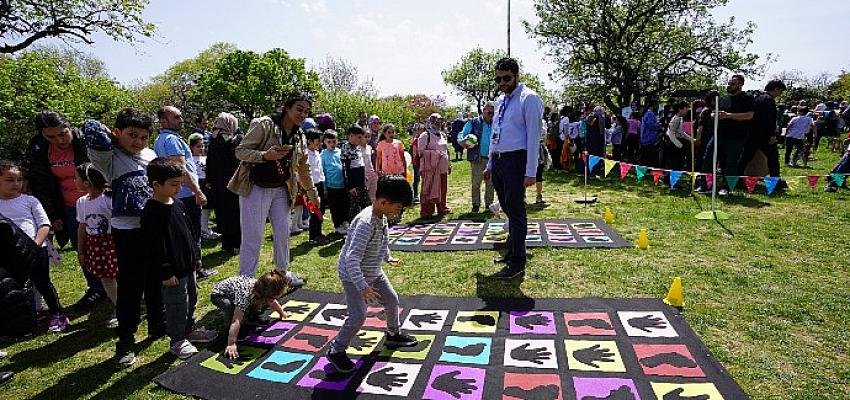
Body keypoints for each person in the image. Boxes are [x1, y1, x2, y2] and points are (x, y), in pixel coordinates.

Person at [84, 110, 161, 368]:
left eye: (144, 137)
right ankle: (126, 341)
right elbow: (91, 128)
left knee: (156, 278)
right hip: (127, 232)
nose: (138, 141)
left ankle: (157, 324)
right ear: (117, 133)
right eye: (132, 135)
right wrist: (112, 137)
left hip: (154, 225)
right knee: (130, 287)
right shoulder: (109, 157)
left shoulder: (150, 155)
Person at [326, 175, 417, 373]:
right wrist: (363, 287)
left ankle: (393, 334)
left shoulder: (381, 216)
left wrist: (387, 257)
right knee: (358, 316)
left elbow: (382, 241)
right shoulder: (365, 224)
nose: (399, 212)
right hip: (353, 277)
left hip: (373, 271)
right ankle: (336, 350)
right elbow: (351, 259)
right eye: (398, 208)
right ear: (383, 202)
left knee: (391, 300)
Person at [228, 95, 319, 283]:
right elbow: (240, 151)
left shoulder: (300, 135)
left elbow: (303, 167)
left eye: (306, 111)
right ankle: (245, 281)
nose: (303, 114)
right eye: (299, 109)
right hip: (255, 186)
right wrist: (264, 156)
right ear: (287, 108)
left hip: (281, 188)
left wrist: (312, 193)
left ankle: (281, 274)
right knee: (253, 236)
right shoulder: (264, 124)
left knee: (283, 233)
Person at [23, 111, 106, 307]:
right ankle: (96, 288)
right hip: (70, 207)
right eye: (50, 137)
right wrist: (53, 215)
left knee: (110, 244)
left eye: (62, 133)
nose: (59, 140)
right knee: (82, 248)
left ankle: (120, 284)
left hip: (100, 202)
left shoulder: (85, 140)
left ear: (69, 126)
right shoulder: (39, 150)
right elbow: (42, 185)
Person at [141, 158, 216, 360]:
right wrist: (165, 272)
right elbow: (154, 246)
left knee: (191, 299)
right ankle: (177, 340)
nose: (179, 188)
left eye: (180, 183)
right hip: (172, 272)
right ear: (157, 185)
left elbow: (188, 233)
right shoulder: (151, 212)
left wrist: (196, 256)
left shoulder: (178, 203)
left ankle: (189, 330)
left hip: (187, 266)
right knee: (176, 305)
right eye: (174, 184)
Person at [484, 57, 543, 279]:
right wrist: (490, 163)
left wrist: (531, 172)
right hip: (499, 160)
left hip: (517, 160)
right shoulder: (500, 101)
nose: (502, 83)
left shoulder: (529, 98)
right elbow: (495, 134)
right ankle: (512, 251)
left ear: (517, 75)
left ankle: (517, 261)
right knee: (508, 209)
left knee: (516, 211)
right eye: (498, 79)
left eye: (506, 78)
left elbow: (534, 137)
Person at [0, 160, 69, 332]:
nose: (16, 183)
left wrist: (35, 245)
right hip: (9, 255)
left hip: (36, 250)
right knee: (18, 287)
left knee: (43, 283)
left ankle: (57, 314)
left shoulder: (30, 200)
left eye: (19, 179)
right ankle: (28, 319)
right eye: (10, 180)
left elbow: (44, 224)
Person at [153, 106, 214, 280]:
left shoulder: (159, 139)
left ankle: (190, 268)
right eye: (176, 117)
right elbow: (181, 169)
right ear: (164, 121)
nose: (181, 120)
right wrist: (197, 191)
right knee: (193, 233)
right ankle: (196, 268)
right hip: (186, 194)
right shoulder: (172, 140)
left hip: (176, 194)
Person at [74, 163, 119, 325]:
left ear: (87, 183)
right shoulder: (81, 202)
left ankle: (133, 302)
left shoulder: (108, 200)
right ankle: (119, 306)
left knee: (122, 275)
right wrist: (81, 251)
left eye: (76, 178)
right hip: (96, 245)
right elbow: (82, 227)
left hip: (113, 242)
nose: (74, 181)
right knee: (106, 277)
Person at [212, 270, 291, 359]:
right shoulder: (245, 295)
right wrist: (231, 343)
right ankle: (230, 329)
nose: (274, 299)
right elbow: (236, 321)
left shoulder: (263, 288)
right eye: (274, 297)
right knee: (232, 309)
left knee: (257, 305)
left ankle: (250, 317)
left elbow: (272, 302)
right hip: (220, 295)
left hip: (243, 293)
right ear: (268, 295)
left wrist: (282, 313)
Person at [205, 112, 242, 254]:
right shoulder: (235, 139)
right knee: (235, 212)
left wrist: (209, 179)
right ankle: (236, 244)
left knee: (222, 213)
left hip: (218, 183)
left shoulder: (213, 139)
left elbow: (209, 161)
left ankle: (226, 244)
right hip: (233, 181)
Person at [716, 74, 755, 195]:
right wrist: (714, 115)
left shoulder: (747, 98)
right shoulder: (723, 98)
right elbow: (716, 112)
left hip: (737, 136)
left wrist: (728, 115)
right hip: (720, 134)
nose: (729, 86)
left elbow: (749, 115)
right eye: (729, 83)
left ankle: (726, 188)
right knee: (721, 162)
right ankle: (713, 184)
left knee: (732, 162)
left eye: (732, 84)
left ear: (740, 84)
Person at [744, 80, 787, 187]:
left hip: (753, 134)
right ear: (776, 89)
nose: (780, 94)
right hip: (765, 136)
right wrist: (772, 135)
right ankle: (775, 181)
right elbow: (769, 119)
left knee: (745, 157)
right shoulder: (769, 100)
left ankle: (738, 178)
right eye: (780, 91)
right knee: (773, 159)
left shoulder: (758, 98)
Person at [459, 102, 495, 213]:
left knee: (491, 183)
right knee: (476, 183)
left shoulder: (496, 123)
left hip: (492, 158)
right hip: (477, 158)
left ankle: (489, 205)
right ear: (483, 111)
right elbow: (461, 135)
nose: (491, 115)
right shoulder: (473, 122)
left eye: (493, 113)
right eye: (489, 112)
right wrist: (463, 142)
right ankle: (476, 205)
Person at [417, 113, 451, 218]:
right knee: (429, 189)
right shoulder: (425, 136)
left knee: (442, 188)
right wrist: (435, 154)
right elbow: (420, 152)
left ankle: (442, 208)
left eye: (440, 122)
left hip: (443, 168)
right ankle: (427, 211)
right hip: (430, 169)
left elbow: (446, 150)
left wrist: (449, 163)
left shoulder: (443, 135)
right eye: (436, 122)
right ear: (431, 123)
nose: (439, 124)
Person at [189, 133, 220, 241]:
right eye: (198, 146)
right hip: (199, 184)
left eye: (202, 146)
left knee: (208, 207)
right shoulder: (190, 159)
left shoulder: (205, 158)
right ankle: (202, 229)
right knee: (201, 208)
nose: (201, 148)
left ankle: (205, 227)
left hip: (207, 184)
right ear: (191, 147)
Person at [321, 130, 349, 235]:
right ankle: (337, 225)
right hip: (331, 186)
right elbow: (322, 171)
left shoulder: (340, 152)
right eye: (329, 142)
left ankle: (345, 222)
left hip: (343, 185)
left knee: (344, 205)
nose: (332, 144)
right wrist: (324, 188)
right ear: (324, 142)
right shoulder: (323, 155)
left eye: (334, 141)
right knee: (335, 207)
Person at [304, 128, 328, 245]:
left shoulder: (317, 153)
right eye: (318, 141)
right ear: (309, 141)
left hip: (320, 183)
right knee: (314, 210)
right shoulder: (305, 154)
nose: (320, 144)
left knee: (321, 209)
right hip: (311, 185)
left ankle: (318, 232)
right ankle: (313, 236)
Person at [342, 126, 371, 222]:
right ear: (351, 136)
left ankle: (367, 223)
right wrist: (350, 186)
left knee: (366, 204)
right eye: (359, 137)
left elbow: (359, 163)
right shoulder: (346, 148)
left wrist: (364, 176)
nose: (361, 139)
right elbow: (346, 168)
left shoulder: (358, 147)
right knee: (354, 207)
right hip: (353, 182)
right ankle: (353, 225)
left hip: (361, 181)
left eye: (362, 137)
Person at [664, 101, 693, 171]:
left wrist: (691, 139)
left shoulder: (680, 118)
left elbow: (682, 133)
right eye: (686, 108)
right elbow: (671, 134)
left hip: (677, 144)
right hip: (673, 146)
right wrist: (680, 146)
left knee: (679, 165)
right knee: (675, 166)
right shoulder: (676, 119)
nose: (687, 110)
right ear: (680, 109)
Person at [640, 100, 661, 167]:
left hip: (647, 138)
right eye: (657, 105)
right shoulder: (650, 114)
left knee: (646, 157)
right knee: (649, 157)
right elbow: (651, 126)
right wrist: (659, 125)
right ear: (653, 106)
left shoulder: (648, 113)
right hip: (648, 139)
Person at [410, 123, 425, 203]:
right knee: (417, 179)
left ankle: (424, 194)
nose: (422, 131)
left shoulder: (425, 139)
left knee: (424, 178)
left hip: (424, 161)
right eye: (420, 130)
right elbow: (414, 154)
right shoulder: (416, 141)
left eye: (423, 130)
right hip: (417, 163)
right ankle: (415, 196)